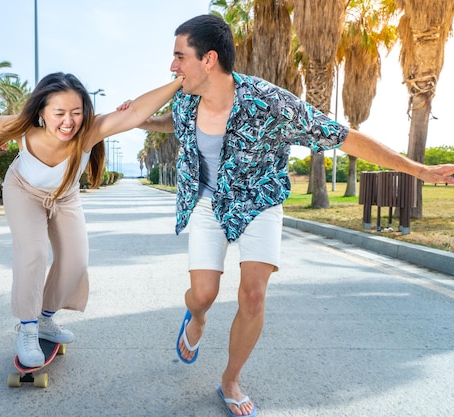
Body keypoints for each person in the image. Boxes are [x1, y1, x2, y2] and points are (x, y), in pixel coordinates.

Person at [121, 14, 454, 417]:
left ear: (208, 59)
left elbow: (346, 138)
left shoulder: (272, 103)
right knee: (203, 294)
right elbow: (176, 124)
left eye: (179, 56)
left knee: (254, 295)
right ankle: (196, 317)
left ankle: (230, 380)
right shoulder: (185, 98)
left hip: (260, 201)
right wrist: (142, 121)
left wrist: (418, 170)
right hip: (210, 203)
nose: (173, 66)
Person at [0, 72, 183, 368]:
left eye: (76, 112)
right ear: (42, 113)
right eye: (59, 113)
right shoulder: (22, 129)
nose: (68, 122)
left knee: (76, 261)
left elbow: (135, 112)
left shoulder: (90, 131)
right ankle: (27, 328)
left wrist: (178, 82)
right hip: (22, 191)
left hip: (64, 196)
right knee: (33, 253)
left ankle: (45, 319)